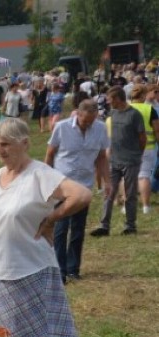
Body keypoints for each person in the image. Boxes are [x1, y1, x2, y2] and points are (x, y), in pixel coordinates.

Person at [0, 119, 92, 337]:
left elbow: (81, 195)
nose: (0, 150)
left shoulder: (40, 174)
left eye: (6, 144)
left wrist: (53, 219)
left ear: (25, 143)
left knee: (35, 332)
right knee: (5, 334)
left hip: (30, 266)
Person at [45, 100, 111, 284]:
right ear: (78, 114)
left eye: (92, 121)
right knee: (61, 227)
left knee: (78, 229)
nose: (88, 125)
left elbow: (101, 158)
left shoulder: (100, 129)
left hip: (84, 187)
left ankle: (73, 269)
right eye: (85, 121)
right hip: (62, 185)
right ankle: (59, 270)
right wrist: (46, 181)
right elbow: (50, 154)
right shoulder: (61, 127)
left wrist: (107, 181)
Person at [90, 86, 146, 236]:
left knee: (130, 194)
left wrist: (136, 155)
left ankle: (130, 225)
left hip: (131, 160)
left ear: (118, 99)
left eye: (110, 99)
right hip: (114, 160)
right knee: (109, 192)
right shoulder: (112, 113)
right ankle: (104, 226)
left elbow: (142, 138)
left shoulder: (134, 115)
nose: (108, 102)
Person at [129, 84, 159, 214]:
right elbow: (157, 130)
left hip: (127, 148)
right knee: (144, 176)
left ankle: (127, 206)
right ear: (143, 95)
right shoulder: (150, 109)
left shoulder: (125, 109)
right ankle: (146, 206)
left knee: (128, 176)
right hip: (148, 146)